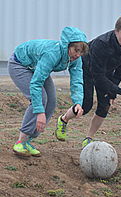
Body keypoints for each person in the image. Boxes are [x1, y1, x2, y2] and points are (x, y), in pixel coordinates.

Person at [55, 10, 121, 148]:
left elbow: (120, 71)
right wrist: (120, 91)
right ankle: (63, 119)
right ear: (116, 31)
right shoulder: (103, 44)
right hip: (87, 69)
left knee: (105, 105)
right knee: (86, 106)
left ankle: (88, 139)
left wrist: (113, 91)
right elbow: (97, 76)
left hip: (104, 71)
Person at [8, 26, 88, 156]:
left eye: (81, 52)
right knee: (40, 99)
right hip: (19, 65)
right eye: (76, 50)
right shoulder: (52, 53)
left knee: (51, 102)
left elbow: (77, 80)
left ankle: (28, 141)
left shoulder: (75, 59)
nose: (78, 55)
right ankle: (20, 142)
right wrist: (39, 112)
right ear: (67, 45)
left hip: (35, 67)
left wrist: (78, 102)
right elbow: (36, 84)